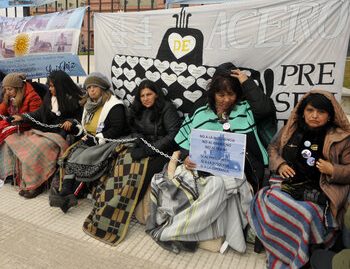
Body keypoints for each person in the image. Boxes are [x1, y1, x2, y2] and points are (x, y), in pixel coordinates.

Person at [146, 62, 277, 254]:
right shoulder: (201, 113)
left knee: (222, 187)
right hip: (204, 170)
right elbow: (183, 144)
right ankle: (185, 233)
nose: (225, 99)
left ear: (237, 94)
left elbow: (266, 109)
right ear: (213, 93)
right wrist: (186, 157)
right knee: (214, 186)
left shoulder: (245, 110)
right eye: (221, 94)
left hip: (241, 172)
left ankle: (169, 233)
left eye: (230, 94)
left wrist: (246, 82)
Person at [248, 91, 350, 269]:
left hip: (323, 188)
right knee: (275, 202)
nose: (315, 116)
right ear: (303, 111)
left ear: (330, 115)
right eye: (310, 110)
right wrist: (279, 164)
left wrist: (333, 170)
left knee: (305, 213)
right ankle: (285, 251)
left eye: (321, 112)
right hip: (288, 182)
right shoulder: (292, 128)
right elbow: (273, 148)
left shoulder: (342, 138)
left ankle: (298, 256)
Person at [82, 79, 182, 245]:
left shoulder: (166, 108)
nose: (145, 98)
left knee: (137, 174)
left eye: (149, 94)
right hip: (144, 146)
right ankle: (105, 206)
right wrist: (140, 141)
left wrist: (148, 150)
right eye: (142, 95)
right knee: (121, 163)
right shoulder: (138, 107)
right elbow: (134, 129)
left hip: (162, 152)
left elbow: (172, 136)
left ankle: (119, 209)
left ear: (156, 94)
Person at [0, 70, 83, 198]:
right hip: (45, 130)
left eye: (52, 86)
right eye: (49, 85)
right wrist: (22, 117)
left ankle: (36, 185)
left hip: (60, 134)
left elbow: (81, 119)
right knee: (21, 143)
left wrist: (71, 121)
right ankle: (22, 178)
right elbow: (40, 113)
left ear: (61, 86)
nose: (50, 88)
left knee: (38, 149)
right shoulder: (50, 97)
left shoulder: (74, 100)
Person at [50, 72, 128, 212]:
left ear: (103, 88)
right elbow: (84, 126)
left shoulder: (114, 105)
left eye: (95, 87)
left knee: (85, 157)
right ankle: (66, 191)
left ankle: (70, 194)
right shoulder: (88, 104)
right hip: (90, 139)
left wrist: (98, 139)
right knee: (73, 154)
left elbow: (118, 129)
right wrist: (76, 129)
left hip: (107, 141)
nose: (91, 90)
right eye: (89, 87)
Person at [0, 73, 42, 153]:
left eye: (10, 89)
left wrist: (21, 119)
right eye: (5, 89)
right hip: (15, 125)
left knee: (0, 131)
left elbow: (36, 117)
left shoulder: (32, 97)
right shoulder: (9, 97)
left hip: (27, 127)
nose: (7, 92)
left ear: (18, 88)